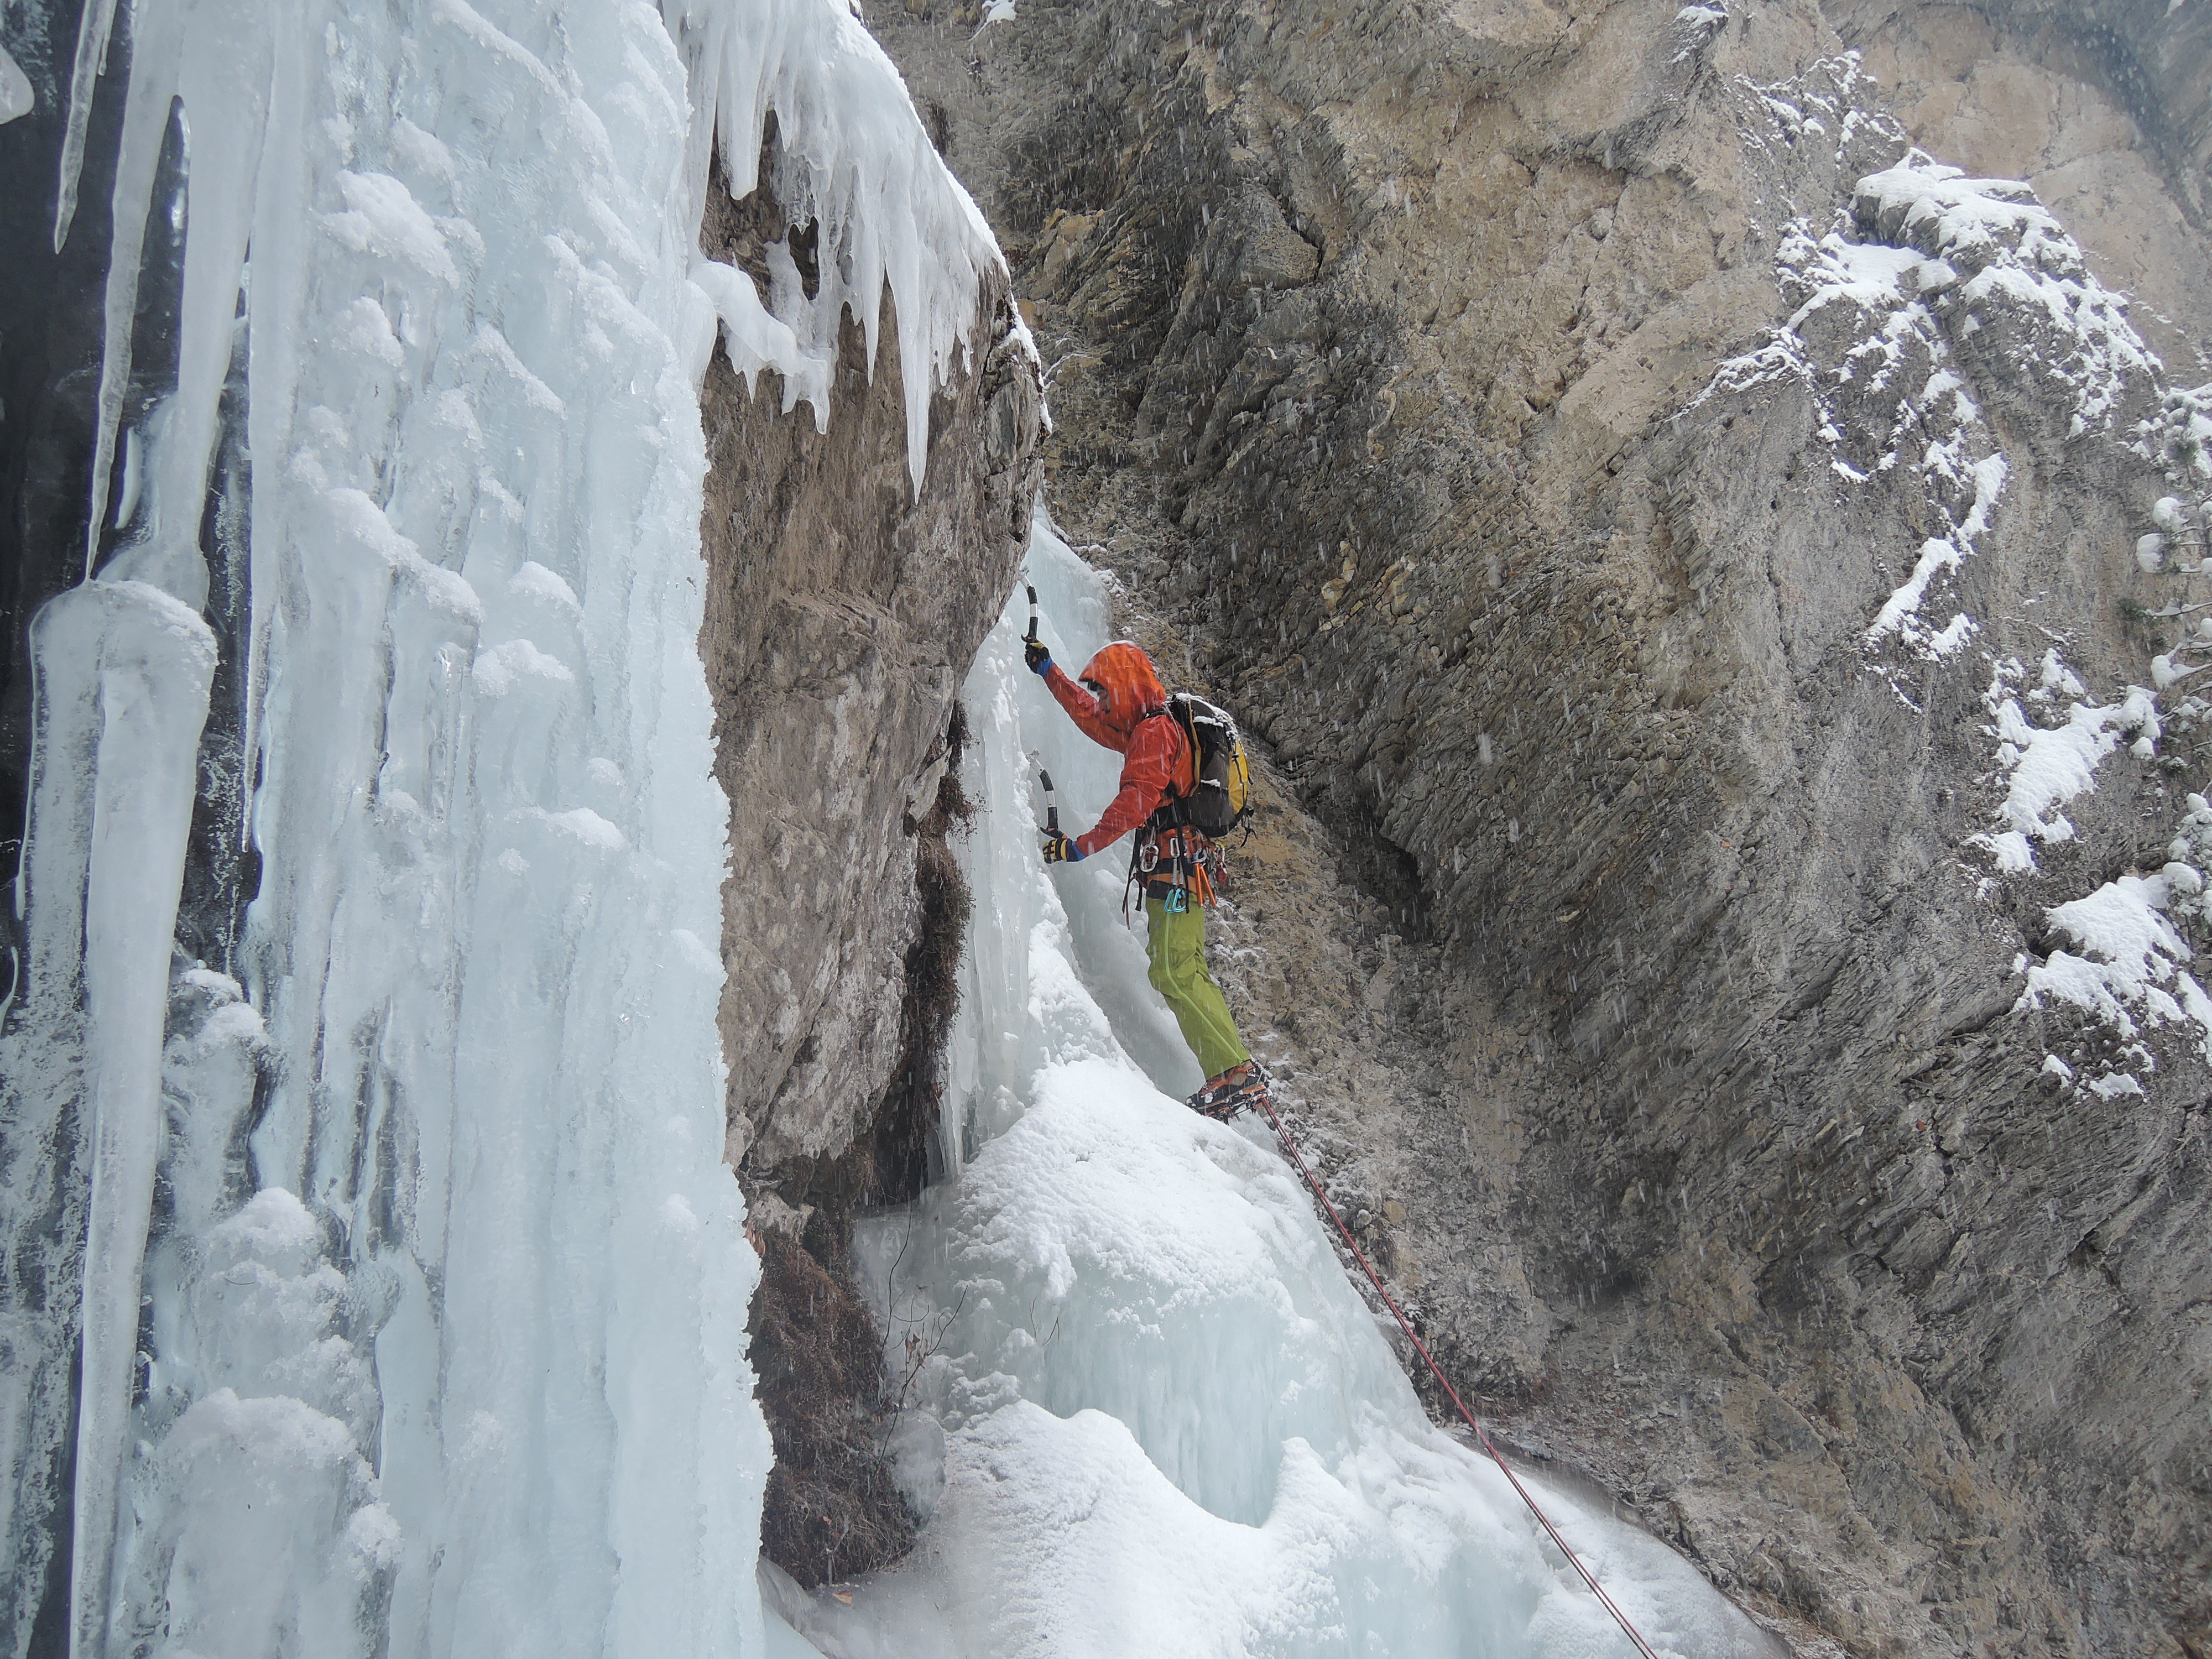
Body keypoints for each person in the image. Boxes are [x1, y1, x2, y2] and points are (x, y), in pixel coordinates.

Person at [1024, 633, 1268, 1118]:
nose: (1105, 701)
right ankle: (1226, 1074)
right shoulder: (1144, 730)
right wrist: (1050, 672)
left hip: (1177, 870)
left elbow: (1136, 803)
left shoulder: (1156, 732)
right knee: (1170, 970)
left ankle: (1236, 1072)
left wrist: (1080, 847)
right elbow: (1091, 721)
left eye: (1109, 690)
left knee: (1179, 969)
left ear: (1128, 684)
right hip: (1173, 868)